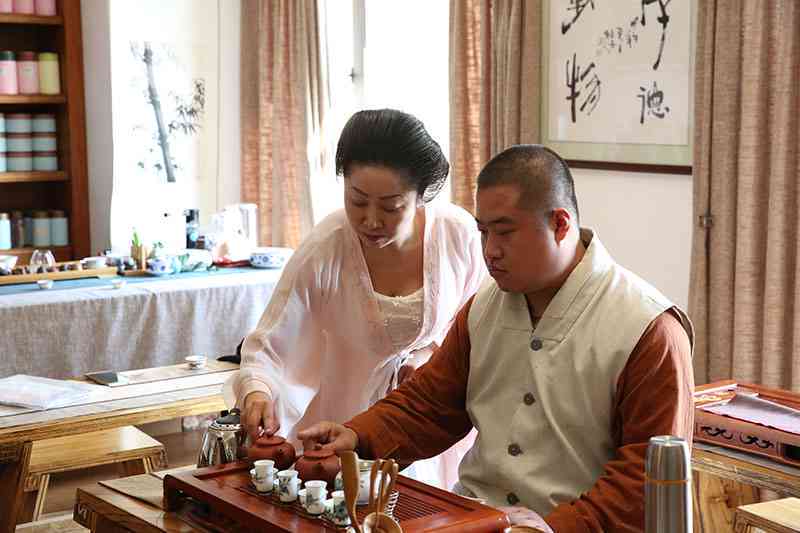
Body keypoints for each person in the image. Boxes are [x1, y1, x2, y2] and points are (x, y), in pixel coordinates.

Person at [298, 144, 694, 532]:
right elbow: (430, 405)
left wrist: (556, 527)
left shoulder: (648, 329)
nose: (490, 252)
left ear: (560, 224)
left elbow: (646, 477)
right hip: (474, 516)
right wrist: (357, 435)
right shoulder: (485, 307)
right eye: (484, 232)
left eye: (505, 234)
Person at [233, 109, 486, 489]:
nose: (370, 220)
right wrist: (257, 390)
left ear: (421, 196)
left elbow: (476, 327)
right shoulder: (327, 247)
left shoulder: (457, 235)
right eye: (357, 200)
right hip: (341, 427)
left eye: (390, 207)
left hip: (428, 427)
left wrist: (426, 359)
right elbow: (271, 341)